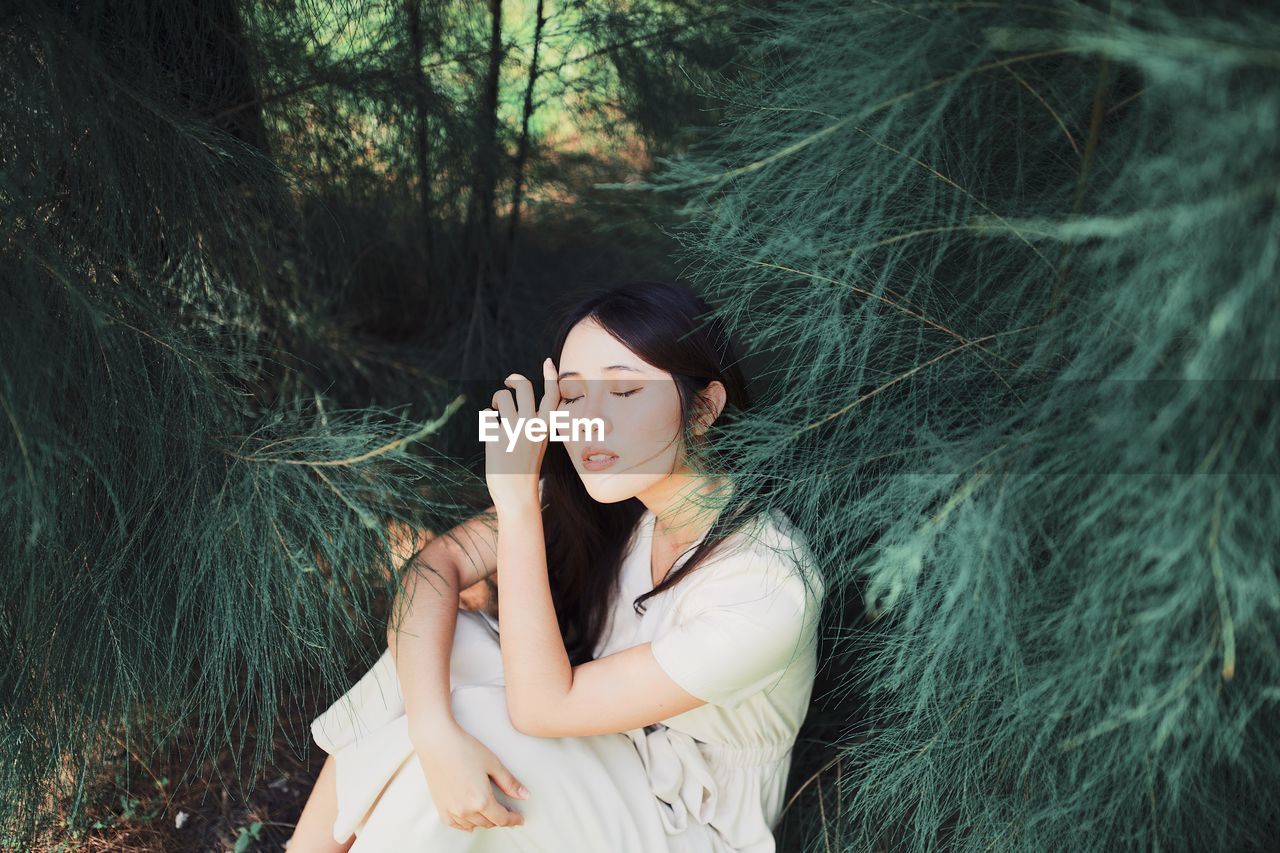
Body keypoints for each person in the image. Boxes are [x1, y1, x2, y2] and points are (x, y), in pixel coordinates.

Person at [288, 280, 825, 852]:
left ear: (705, 408)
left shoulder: (767, 584)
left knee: (475, 719)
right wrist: (433, 730)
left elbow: (544, 708)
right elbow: (435, 564)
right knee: (445, 657)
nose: (587, 422)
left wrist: (516, 505)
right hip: (608, 753)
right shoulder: (609, 494)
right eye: (570, 397)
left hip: (695, 828)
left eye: (622, 391)